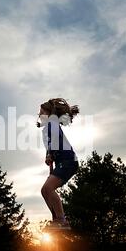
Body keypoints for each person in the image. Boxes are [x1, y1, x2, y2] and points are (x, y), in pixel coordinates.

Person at [37, 98, 79, 229]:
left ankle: (62, 220)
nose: (39, 115)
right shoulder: (46, 130)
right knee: (44, 190)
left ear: (49, 114)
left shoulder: (52, 123)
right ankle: (56, 219)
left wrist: (51, 154)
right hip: (62, 162)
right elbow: (49, 146)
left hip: (68, 161)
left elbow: (55, 140)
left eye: (41, 112)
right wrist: (47, 156)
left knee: (48, 188)